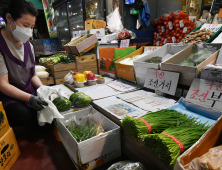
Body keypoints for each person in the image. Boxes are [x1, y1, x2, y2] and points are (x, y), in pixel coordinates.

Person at [0, 0, 50, 132]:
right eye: (25, 25)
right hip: (9, 96)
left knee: (49, 117)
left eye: (32, 27)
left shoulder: (29, 46)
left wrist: (44, 90)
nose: (29, 31)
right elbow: (3, 85)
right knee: (22, 115)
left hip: (29, 92)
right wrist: (31, 99)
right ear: (9, 18)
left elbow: (32, 75)